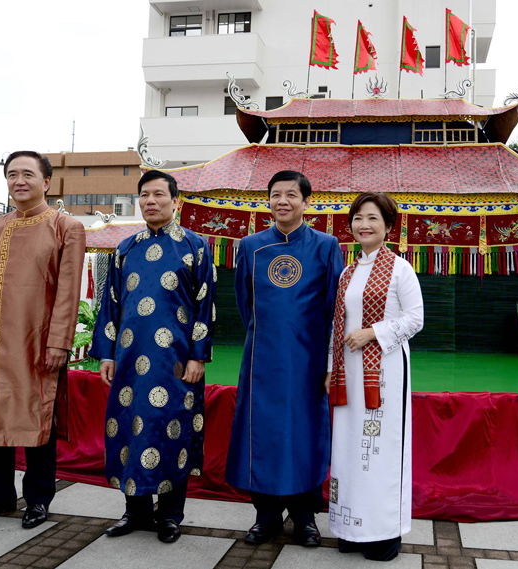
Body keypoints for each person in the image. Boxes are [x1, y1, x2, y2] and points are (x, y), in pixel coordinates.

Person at [0, 151, 86, 528]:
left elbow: (68, 290)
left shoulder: (66, 227)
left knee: (38, 420)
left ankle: (38, 500)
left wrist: (59, 342)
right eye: (12, 174)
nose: (19, 181)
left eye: (27, 174)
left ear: (47, 182)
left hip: (38, 341)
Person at [89, 170, 216, 543]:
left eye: (159, 194)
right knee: (129, 427)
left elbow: (205, 306)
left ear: (176, 201)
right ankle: (135, 511)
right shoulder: (125, 249)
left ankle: (170, 515)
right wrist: (107, 355)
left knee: (170, 430)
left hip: (176, 363)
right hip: (128, 361)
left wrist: (198, 356)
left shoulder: (195, 247)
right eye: (144, 195)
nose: (150, 201)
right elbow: (109, 305)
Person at [226, 170, 343, 546]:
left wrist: (327, 362)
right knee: (262, 436)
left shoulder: (327, 246)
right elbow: (246, 307)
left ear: (307, 202)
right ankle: (266, 517)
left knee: (305, 436)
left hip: (308, 364)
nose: (283, 202)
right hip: (262, 361)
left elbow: (334, 310)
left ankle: (306, 518)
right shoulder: (251, 246)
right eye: (276, 195)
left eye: (291, 195)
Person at [327, 192, 423, 562]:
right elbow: (338, 327)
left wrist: (373, 333)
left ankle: (384, 534)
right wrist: (330, 370)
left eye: (372, 219)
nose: (363, 225)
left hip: (384, 373)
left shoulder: (401, 269)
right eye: (357, 219)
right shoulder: (347, 272)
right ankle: (352, 528)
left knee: (380, 453)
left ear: (388, 226)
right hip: (348, 375)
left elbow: (416, 319)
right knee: (349, 450)